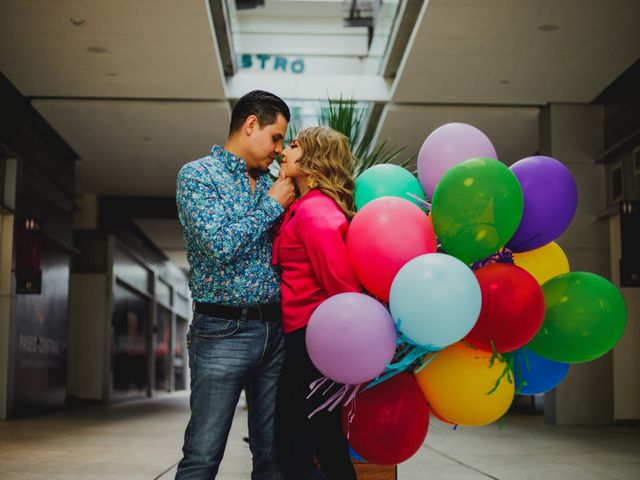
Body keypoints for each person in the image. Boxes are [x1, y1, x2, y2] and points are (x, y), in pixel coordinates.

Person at [175, 90, 295, 479]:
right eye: (276, 137)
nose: (279, 151)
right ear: (250, 125)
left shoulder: (272, 183)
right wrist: (273, 206)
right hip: (221, 332)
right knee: (204, 454)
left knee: (273, 454)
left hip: (275, 331)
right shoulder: (197, 175)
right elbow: (220, 245)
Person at [272, 126, 361, 480]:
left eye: (293, 146)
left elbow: (341, 286)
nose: (283, 152)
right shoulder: (304, 208)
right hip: (304, 338)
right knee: (325, 440)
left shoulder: (315, 213)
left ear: (312, 159)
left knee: (291, 448)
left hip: (312, 342)